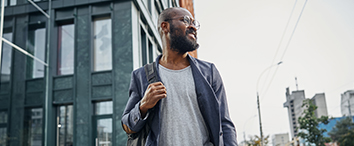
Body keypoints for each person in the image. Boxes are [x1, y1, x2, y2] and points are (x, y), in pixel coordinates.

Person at [121, 7, 237, 146]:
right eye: (186, 20)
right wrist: (143, 105)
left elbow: (224, 123)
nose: (193, 27)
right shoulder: (141, 76)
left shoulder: (209, 72)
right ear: (165, 26)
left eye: (195, 23)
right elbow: (127, 127)